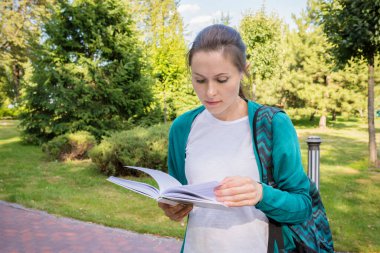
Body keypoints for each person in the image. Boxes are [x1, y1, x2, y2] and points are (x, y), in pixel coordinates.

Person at [158, 24, 312, 253]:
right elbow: (179, 195)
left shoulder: (272, 125)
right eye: (200, 80)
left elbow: (302, 207)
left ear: (243, 70)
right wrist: (171, 207)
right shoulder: (182, 128)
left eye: (221, 79)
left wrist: (261, 194)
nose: (209, 92)